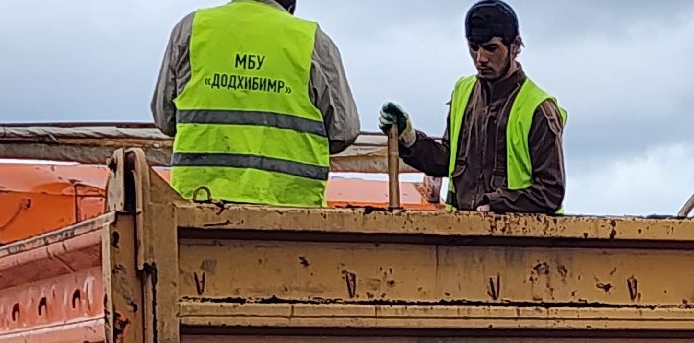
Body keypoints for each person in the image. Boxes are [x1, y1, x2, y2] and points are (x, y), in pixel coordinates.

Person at [151, 0, 363, 207]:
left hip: (195, 209)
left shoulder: (191, 30)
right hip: (292, 213)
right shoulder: (313, 41)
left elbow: (165, 120)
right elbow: (343, 132)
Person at [377, 0, 566, 214]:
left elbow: (551, 192)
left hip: (518, 240)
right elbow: (449, 161)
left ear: (515, 47)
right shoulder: (463, 92)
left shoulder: (538, 108)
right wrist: (410, 140)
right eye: (473, 47)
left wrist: (495, 204)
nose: (480, 58)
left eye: (491, 48)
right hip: (462, 234)